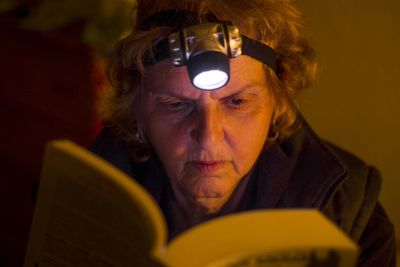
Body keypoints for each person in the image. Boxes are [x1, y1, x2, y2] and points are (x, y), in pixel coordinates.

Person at [91, 0, 397, 266]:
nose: (209, 136)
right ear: (136, 107)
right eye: (176, 104)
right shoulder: (81, 194)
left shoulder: (353, 218)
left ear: (279, 99)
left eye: (236, 101)